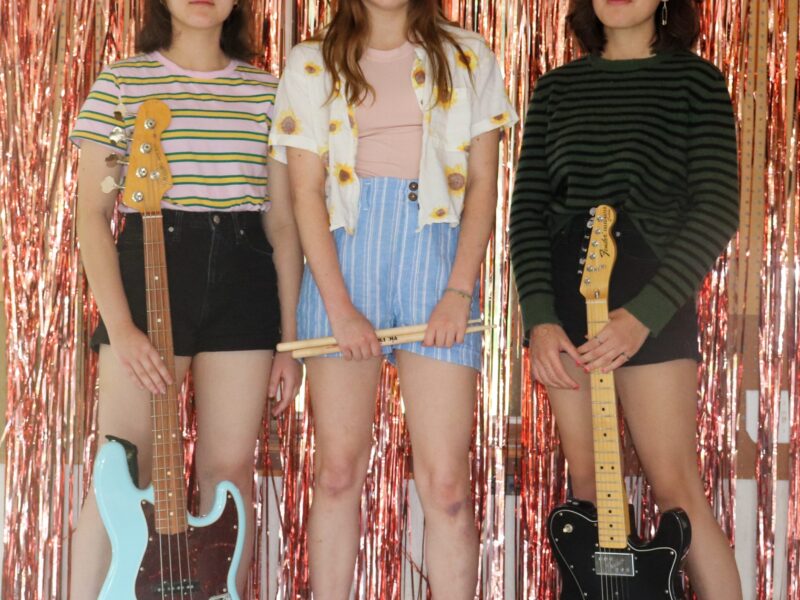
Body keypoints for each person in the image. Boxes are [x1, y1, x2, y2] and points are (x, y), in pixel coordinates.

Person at [268, 0, 517, 597]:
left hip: (436, 259)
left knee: (447, 486)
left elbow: (485, 182)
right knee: (335, 473)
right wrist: (338, 306)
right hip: (341, 261)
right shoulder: (310, 61)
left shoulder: (468, 54)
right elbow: (304, 193)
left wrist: (458, 290)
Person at [68, 0, 302, 597]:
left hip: (245, 280)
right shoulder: (121, 83)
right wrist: (122, 329)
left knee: (229, 476)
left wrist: (290, 341)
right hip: (151, 267)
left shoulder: (269, 92)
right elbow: (92, 216)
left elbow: (281, 223)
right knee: (124, 467)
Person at [509, 0, 742, 598]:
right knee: (589, 491)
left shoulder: (696, 80)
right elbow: (527, 214)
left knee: (677, 489)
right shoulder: (555, 88)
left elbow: (717, 207)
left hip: (651, 295)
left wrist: (645, 316)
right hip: (566, 301)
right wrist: (540, 320)